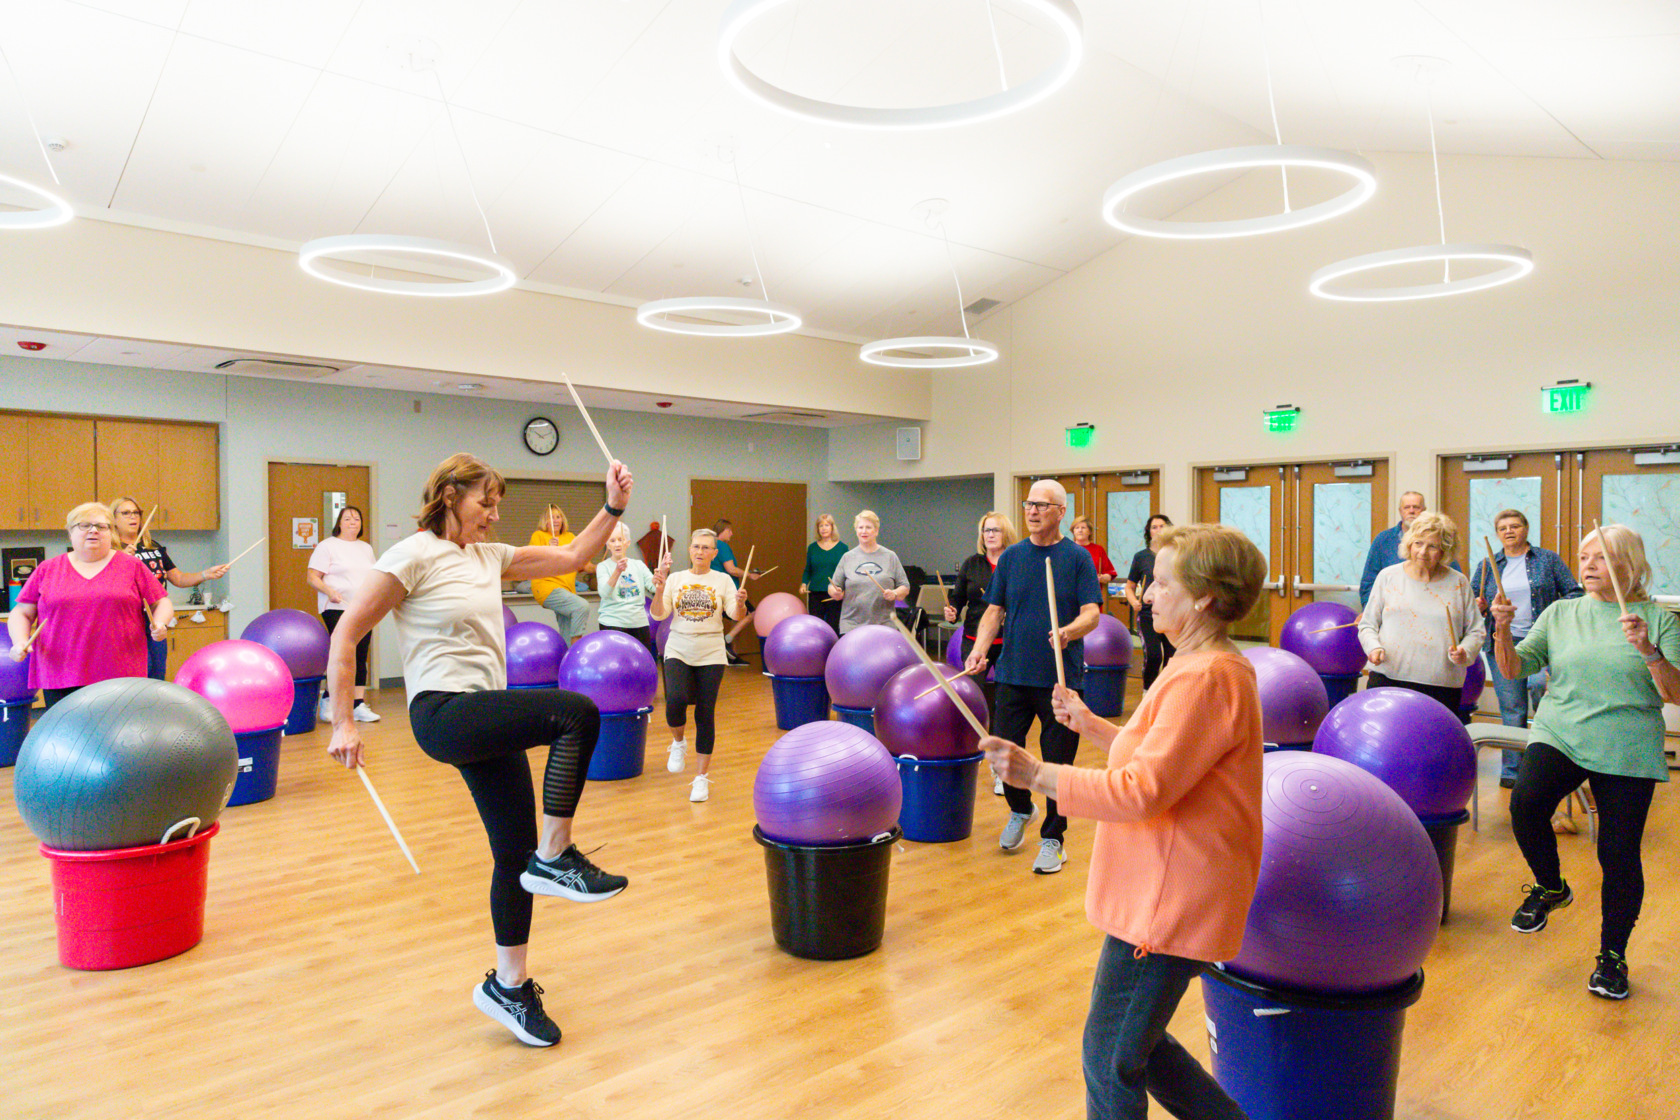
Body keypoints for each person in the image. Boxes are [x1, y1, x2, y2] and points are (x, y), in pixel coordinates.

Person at [324, 454, 631, 1048]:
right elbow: (346, 634)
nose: (493, 515)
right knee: (576, 713)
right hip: (443, 712)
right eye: (484, 503)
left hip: (484, 709)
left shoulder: (489, 556)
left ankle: (509, 987)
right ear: (448, 497)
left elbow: (571, 558)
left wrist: (614, 504)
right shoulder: (412, 555)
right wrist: (343, 722)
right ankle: (557, 854)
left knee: (511, 857)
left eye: (497, 505)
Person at [984, 522, 1266, 1120]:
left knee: (1109, 1055)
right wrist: (1090, 724)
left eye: (1162, 583)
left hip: (1169, 902)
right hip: (1169, 890)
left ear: (1205, 598)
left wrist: (1038, 776)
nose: (1146, 592)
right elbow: (1169, 760)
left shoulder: (1206, 676)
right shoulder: (1198, 664)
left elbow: (1142, 791)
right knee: (1142, 1048)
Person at [1493, 524, 1679, 1001]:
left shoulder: (1658, 620)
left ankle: (1612, 958)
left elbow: (1674, 694)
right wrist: (1499, 630)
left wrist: (1649, 651)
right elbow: (1516, 667)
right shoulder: (1560, 612)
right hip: (1562, 730)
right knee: (1527, 803)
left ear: (1629, 565)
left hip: (1627, 742)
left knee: (1617, 854)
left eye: (1600, 557)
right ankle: (1551, 886)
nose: (1588, 565)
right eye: (1584, 556)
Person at [966, 480, 1101, 873]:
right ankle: (1020, 809)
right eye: (1028, 504)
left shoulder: (1077, 559)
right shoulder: (1011, 558)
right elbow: (995, 610)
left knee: (1058, 761)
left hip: (1060, 678)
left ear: (1061, 511)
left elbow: (1092, 612)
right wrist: (980, 649)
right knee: (1003, 753)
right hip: (1012, 673)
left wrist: (1070, 631)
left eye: (1042, 505)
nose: (1032, 511)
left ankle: (1053, 838)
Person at [7, 503, 173, 709]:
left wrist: (160, 623)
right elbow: (22, 612)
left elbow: (161, 601)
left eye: (101, 526)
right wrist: (19, 641)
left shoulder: (132, 566)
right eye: (84, 525)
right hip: (61, 671)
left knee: (117, 737)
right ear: (70, 532)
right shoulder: (48, 569)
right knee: (67, 736)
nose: (93, 530)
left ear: (111, 532)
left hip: (120, 672)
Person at [1471, 508, 1582, 786]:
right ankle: (1513, 773)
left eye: (1515, 525)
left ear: (1526, 529)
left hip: (1542, 642)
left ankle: (1548, 763)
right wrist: (1478, 605)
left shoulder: (1547, 559)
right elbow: (1471, 601)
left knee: (1537, 688)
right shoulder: (1488, 564)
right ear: (1498, 534)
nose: (1509, 531)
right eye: (1503, 527)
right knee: (1512, 708)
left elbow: (1574, 593)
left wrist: (1552, 614)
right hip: (1501, 642)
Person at [650, 529, 744, 802]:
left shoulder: (724, 579)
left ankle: (701, 779)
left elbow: (734, 615)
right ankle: (678, 742)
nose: (700, 551)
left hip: (711, 651)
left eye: (706, 548)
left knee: (705, 713)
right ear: (689, 550)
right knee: (676, 700)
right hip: (678, 646)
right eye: (696, 547)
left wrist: (739, 604)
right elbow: (659, 613)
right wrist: (658, 590)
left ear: (715, 553)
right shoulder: (676, 578)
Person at [1358, 511, 1484, 715]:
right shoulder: (1388, 576)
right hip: (1389, 678)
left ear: (1445, 550)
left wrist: (1466, 651)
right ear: (1409, 544)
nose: (1423, 552)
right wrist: (1373, 647)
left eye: (1432, 546)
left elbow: (1476, 632)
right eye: (1418, 543)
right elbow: (1367, 625)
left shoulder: (1458, 582)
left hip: (1441, 685)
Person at [110, 495, 229, 679]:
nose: (133, 517)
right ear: (113, 519)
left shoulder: (153, 547)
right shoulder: (109, 549)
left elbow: (178, 578)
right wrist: (121, 559)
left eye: (136, 513)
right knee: (134, 677)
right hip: (126, 623)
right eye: (125, 513)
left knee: (157, 674)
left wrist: (206, 574)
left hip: (156, 620)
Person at [947, 511, 1018, 796]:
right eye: (986, 530)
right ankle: (972, 752)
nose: (990, 535)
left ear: (1006, 534)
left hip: (1009, 641)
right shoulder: (971, 564)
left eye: (996, 530)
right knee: (975, 699)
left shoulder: (1015, 562)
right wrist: (951, 611)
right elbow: (957, 599)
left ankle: (999, 768)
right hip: (974, 641)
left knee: (1005, 701)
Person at [307, 504, 380, 723]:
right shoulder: (327, 546)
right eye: (347, 519)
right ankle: (329, 699)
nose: (352, 522)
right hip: (336, 607)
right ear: (339, 523)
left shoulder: (365, 548)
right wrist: (330, 592)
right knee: (342, 652)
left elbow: (373, 577)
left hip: (362, 608)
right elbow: (312, 577)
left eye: (356, 519)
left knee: (360, 654)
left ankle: (358, 704)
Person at [1358, 490, 1461, 604]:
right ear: (1400, 511)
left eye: (1416, 507)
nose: (1411, 511)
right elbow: (1368, 582)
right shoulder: (1383, 540)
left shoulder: (1440, 539)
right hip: (1391, 610)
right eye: (1407, 507)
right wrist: (1371, 611)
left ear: (1424, 510)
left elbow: (1454, 579)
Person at [827, 510, 910, 635]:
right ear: (856, 531)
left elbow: (905, 587)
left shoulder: (890, 556)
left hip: (884, 625)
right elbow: (833, 586)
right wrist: (835, 592)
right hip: (851, 625)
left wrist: (894, 593)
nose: (864, 531)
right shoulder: (847, 557)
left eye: (868, 527)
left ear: (876, 531)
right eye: (860, 527)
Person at [1125, 514, 1175, 690]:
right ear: (1149, 532)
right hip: (1148, 615)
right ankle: (1148, 692)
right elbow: (1129, 587)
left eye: (1162, 526)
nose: (1159, 530)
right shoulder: (1141, 557)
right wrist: (1133, 602)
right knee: (1154, 656)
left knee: (1172, 658)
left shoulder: (1177, 555)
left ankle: (1167, 694)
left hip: (1171, 614)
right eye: (1154, 527)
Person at [594, 522, 658, 658]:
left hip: (639, 623)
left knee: (641, 663)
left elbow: (654, 587)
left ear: (627, 543)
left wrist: (662, 573)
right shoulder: (603, 566)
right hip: (612, 623)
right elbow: (604, 593)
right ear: (607, 544)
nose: (617, 544)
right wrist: (617, 571)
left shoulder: (638, 565)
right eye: (612, 540)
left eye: (620, 540)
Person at [530, 506, 592, 644]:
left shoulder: (570, 537)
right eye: (551, 517)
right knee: (581, 606)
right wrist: (549, 549)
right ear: (545, 521)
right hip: (547, 587)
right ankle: (577, 646)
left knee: (567, 630)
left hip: (568, 590)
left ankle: (568, 657)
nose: (555, 520)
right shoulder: (538, 536)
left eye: (558, 517)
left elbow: (584, 563)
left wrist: (605, 567)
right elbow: (533, 561)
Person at [710, 519, 760, 665]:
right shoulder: (722, 545)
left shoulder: (712, 545)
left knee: (735, 618)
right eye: (729, 530)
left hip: (717, 590)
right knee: (752, 614)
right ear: (722, 530)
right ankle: (727, 639)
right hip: (728, 591)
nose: (731, 533)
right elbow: (731, 569)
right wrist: (750, 575)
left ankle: (731, 655)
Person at [799, 513, 846, 633]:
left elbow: (846, 573)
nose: (824, 528)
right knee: (815, 628)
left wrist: (844, 590)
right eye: (821, 526)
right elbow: (808, 569)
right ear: (817, 529)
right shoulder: (812, 548)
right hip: (815, 593)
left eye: (826, 525)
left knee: (833, 627)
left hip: (835, 595)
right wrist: (804, 584)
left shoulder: (843, 548)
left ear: (832, 527)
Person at [1071, 515, 1117, 598]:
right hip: (1071, 596)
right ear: (1073, 531)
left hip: (1092, 596)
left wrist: (1103, 578)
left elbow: (1110, 574)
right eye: (1077, 528)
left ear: (1090, 531)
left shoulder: (1098, 550)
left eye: (1083, 528)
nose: (1080, 530)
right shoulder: (1067, 549)